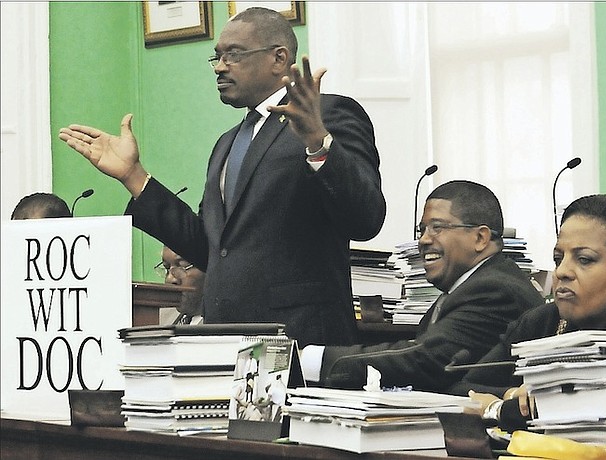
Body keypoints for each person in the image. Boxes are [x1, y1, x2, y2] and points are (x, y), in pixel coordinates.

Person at [58, 7, 386, 346]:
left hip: (300, 339)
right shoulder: (227, 144)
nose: (219, 66)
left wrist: (318, 142)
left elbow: (366, 218)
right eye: (216, 57)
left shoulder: (329, 113)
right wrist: (134, 176)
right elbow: (210, 248)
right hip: (224, 340)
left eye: (233, 55)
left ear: (278, 58)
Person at [300, 180, 545, 392]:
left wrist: (314, 360)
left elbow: (425, 360)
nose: (424, 240)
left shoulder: (495, 290)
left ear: (480, 238)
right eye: (422, 230)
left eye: (437, 227)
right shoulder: (466, 287)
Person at [453, 194, 606, 432]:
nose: (562, 272)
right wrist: (513, 393)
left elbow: (598, 407)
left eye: (584, 259)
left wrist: (498, 409)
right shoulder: (542, 322)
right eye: (558, 258)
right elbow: (462, 387)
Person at [157, 245, 206, 325]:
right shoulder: (158, 317)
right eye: (166, 267)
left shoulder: (223, 325)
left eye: (182, 266)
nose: (169, 279)